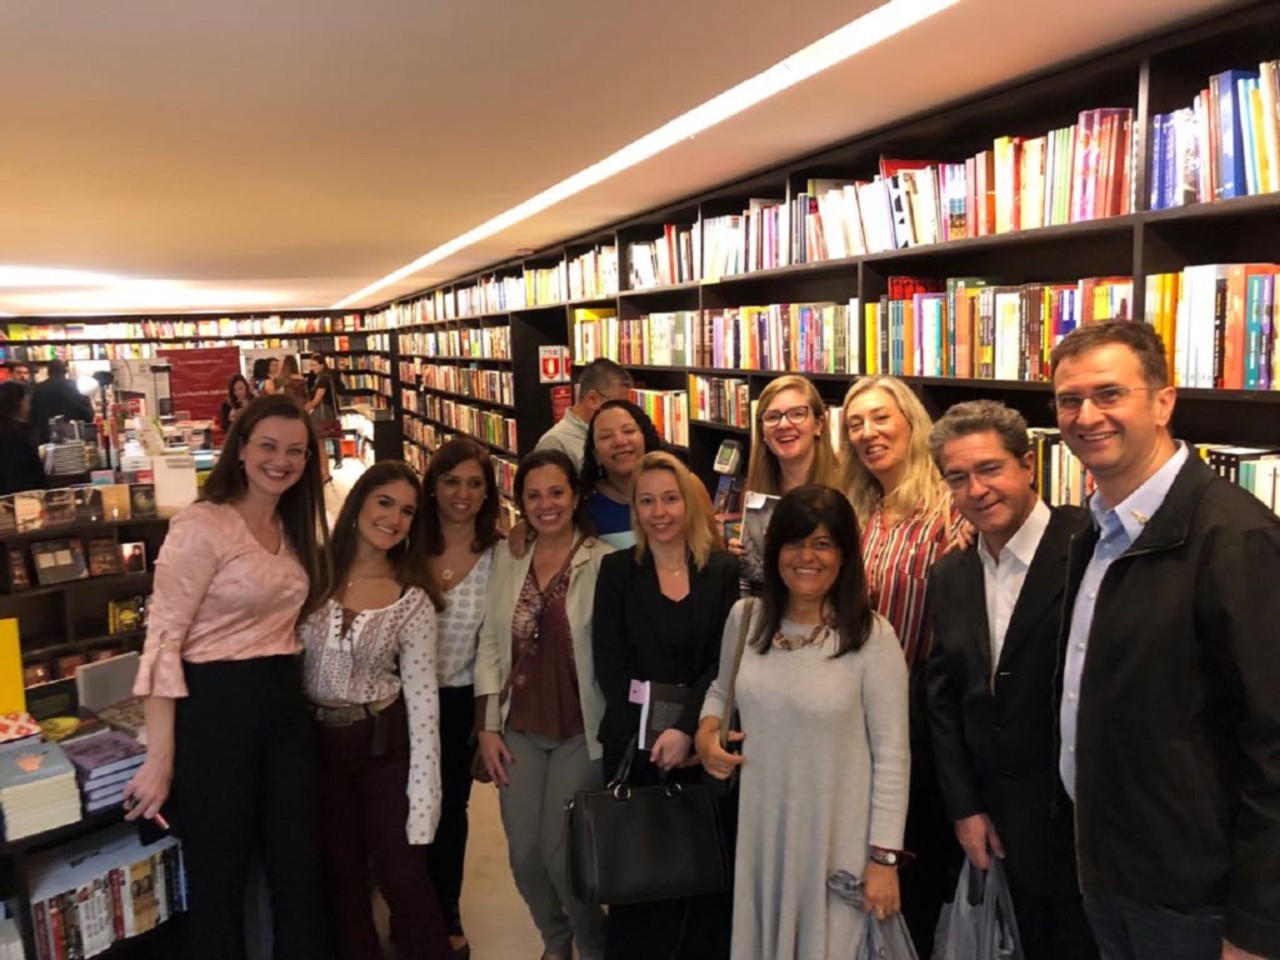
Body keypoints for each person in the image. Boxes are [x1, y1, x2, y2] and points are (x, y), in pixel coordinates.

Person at [1051, 321, 1280, 960]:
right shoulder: (1097, 530)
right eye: (1069, 400)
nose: (1086, 416)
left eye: (1109, 394)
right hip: (1109, 868)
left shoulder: (1235, 539)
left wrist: (1257, 927)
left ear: (1162, 402)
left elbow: (1274, 743)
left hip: (1197, 901)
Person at [123, 393, 330, 959]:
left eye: (295, 451)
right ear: (240, 449)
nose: (281, 461)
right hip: (215, 712)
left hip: (284, 707)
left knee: (298, 869)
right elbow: (163, 641)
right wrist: (160, 757)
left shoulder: (293, 526)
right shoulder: (202, 525)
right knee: (219, 877)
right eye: (268, 446)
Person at [696, 485, 909, 960]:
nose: (806, 557)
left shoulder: (872, 638)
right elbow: (720, 691)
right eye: (794, 542)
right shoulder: (746, 619)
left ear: (844, 556)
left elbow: (893, 758)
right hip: (762, 834)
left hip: (837, 844)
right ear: (775, 551)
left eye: (823, 543)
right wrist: (707, 733)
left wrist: (884, 860)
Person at [924, 400, 1095, 960]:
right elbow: (944, 701)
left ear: (1027, 465)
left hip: (1086, 832)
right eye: (958, 477)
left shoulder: (1090, 547)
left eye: (989, 469)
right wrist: (964, 808)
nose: (976, 489)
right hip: (998, 828)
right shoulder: (950, 574)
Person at [299, 459, 454, 960]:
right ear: (359, 502)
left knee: (403, 874)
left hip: (383, 743)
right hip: (317, 746)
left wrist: (425, 797)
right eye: (384, 502)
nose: (393, 518)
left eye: (407, 511)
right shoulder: (312, 572)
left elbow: (424, 700)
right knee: (342, 878)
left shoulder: (412, 599)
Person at [592, 451, 740, 959]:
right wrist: (655, 738)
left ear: (688, 504)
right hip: (635, 751)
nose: (660, 512)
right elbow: (609, 664)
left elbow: (724, 662)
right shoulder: (616, 570)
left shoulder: (722, 570)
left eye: (670, 499)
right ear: (635, 508)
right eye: (647, 501)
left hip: (702, 747)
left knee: (703, 884)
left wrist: (686, 730)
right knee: (641, 889)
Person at [839, 374, 966, 955]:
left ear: (912, 422)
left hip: (921, 720)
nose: (867, 432)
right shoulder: (858, 509)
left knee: (913, 865)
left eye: (880, 418)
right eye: (855, 424)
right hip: (854, 712)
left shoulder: (950, 506)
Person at [473, 449, 612, 960]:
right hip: (520, 727)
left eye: (556, 492)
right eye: (533, 495)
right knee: (525, 857)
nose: (545, 504)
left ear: (575, 497)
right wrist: (488, 726)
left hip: (580, 728)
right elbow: (491, 641)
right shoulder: (508, 558)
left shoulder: (603, 561)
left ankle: (594, 943)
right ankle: (556, 942)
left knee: (559, 856)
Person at [422, 438, 505, 959]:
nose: (463, 493)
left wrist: (485, 721)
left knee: (450, 810)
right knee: (401, 807)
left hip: (457, 703)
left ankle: (445, 909)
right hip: (398, 701)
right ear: (432, 486)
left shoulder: (500, 555)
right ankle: (409, 904)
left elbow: (495, 646)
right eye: (452, 481)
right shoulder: (406, 543)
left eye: (476, 484)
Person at [728, 374, 840, 591]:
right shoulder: (754, 493)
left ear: (818, 424)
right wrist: (740, 554)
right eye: (772, 417)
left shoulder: (846, 490)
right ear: (762, 430)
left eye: (797, 414)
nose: (784, 424)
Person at [580, 398, 666, 549]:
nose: (619, 441)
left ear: (645, 438)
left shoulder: (684, 487)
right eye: (606, 436)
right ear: (595, 454)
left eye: (628, 431)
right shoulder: (584, 506)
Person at [535, 358, 632, 469]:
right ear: (592, 399)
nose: (624, 411)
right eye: (617, 405)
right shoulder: (555, 443)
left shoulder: (614, 436)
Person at [30, 358, 94, 443]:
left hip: (47, 436)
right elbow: (88, 415)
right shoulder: (77, 387)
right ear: (65, 371)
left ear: (48, 372)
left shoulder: (38, 389)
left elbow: (33, 417)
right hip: (74, 436)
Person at [0, 380, 46, 495]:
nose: (29, 407)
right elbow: (33, 473)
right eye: (27, 402)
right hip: (23, 497)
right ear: (19, 403)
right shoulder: (21, 434)